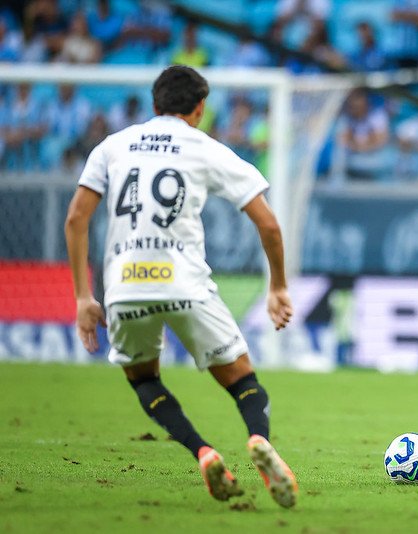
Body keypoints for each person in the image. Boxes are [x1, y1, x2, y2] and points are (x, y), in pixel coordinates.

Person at [64, 65, 298, 507]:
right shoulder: (205, 147)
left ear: (155, 104)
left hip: (125, 285)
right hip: (184, 283)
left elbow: (77, 218)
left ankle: (203, 451)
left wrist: (82, 296)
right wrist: (278, 287)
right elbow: (268, 224)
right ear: (200, 109)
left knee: (144, 379)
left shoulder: (112, 146)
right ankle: (258, 439)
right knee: (242, 379)